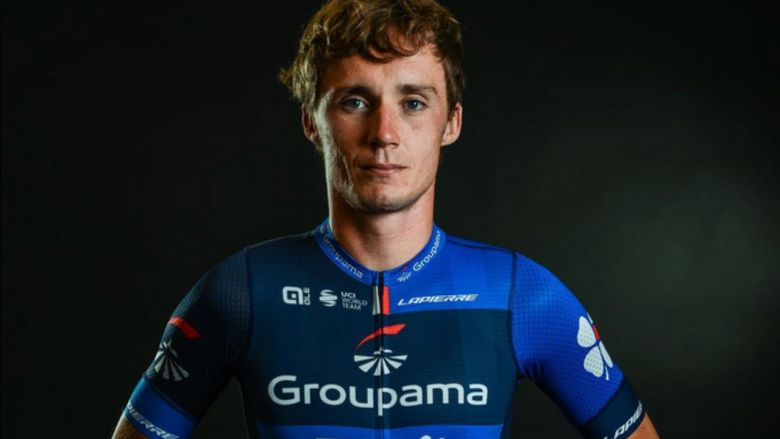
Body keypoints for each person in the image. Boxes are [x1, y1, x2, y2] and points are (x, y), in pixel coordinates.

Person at [112, 0, 660, 438]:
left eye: (414, 102)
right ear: (312, 122)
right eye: (354, 101)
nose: (384, 134)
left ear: (451, 122)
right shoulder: (239, 294)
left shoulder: (526, 299)